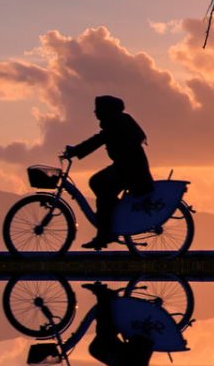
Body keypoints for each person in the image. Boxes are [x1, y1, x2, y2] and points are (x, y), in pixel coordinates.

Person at [64, 94, 154, 250]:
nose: (95, 112)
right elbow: (99, 139)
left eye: (98, 109)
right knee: (98, 184)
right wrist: (76, 151)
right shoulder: (118, 121)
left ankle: (105, 234)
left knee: (101, 188)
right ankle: (113, 216)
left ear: (106, 110)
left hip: (132, 170)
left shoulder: (116, 124)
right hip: (126, 167)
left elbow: (97, 140)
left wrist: (75, 151)